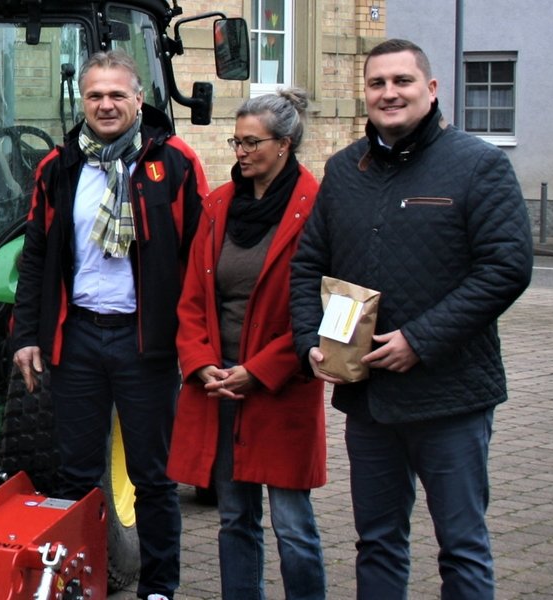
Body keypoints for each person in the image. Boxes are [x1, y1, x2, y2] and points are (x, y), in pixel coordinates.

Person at [291, 38, 533, 600]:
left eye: (402, 81)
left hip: (450, 396)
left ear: (431, 88)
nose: (389, 93)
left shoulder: (478, 165)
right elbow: (307, 265)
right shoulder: (344, 170)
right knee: (376, 542)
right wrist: (308, 340)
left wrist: (420, 341)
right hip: (369, 400)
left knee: (462, 546)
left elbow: (506, 268)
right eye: (377, 83)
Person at [8, 50, 206, 600]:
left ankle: (159, 587)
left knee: (153, 477)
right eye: (95, 95)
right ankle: (81, 582)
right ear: (83, 101)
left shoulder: (175, 164)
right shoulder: (58, 168)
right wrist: (26, 336)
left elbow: (199, 258)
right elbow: (36, 256)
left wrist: (196, 344)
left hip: (146, 343)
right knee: (76, 476)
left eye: (117, 94)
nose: (106, 104)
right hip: (78, 339)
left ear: (138, 99)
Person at [167, 88, 325, 600]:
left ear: (284, 144)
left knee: (292, 523)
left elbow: (322, 306)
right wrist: (200, 363)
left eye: (251, 142)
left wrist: (259, 371)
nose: (240, 151)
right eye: (236, 141)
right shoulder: (219, 205)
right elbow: (192, 299)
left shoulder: (316, 208)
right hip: (220, 385)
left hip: (280, 387)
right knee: (234, 518)